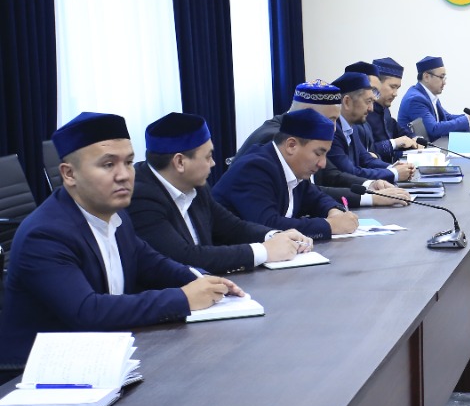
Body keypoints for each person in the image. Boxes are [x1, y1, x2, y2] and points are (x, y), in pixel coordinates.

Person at [0, 113, 240, 368]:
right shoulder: (45, 234)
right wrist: (183, 298)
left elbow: (152, 263)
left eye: (128, 162)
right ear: (69, 174)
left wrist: (203, 280)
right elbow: (88, 311)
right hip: (37, 372)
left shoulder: (117, 215)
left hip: (104, 355)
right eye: (108, 165)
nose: (124, 175)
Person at [130, 112, 312, 274]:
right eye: (208, 157)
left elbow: (233, 227)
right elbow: (183, 257)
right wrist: (264, 251)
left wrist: (274, 236)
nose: (213, 164)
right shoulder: (141, 197)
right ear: (180, 162)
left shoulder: (196, 186)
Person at [237, 82, 411, 208]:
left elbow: (331, 175)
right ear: (308, 113)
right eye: (330, 120)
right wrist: (371, 198)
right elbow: (307, 192)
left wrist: (370, 185)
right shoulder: (276, 140)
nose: (334, 129)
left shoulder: (304, 135)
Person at [213, 109, 360, 240]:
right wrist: (329, 226)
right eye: (318, 153)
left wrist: (333, 211)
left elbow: (317, 198)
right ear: (291, 145)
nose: (323, 164)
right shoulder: (254, 168)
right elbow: (268, 225)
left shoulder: (292, 168)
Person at [328, 72, 414, 183]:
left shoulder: (352, 126)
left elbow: (366, 159)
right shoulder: (333, 131)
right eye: (368, 102)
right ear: (347, 102)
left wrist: (393, 167)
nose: (371, 109)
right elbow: (351, 172)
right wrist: (394, 173)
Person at [397, 56, 470, 140]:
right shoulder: (415, 100)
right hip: (416, 147)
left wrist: (469, 117)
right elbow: (434, 129)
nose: (444, 82)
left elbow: (446, 117)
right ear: (426, 77)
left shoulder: (428, 95)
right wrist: (467, 120)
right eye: (441, 77)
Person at [368, 57, 418, 163]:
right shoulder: (364, 112)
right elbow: (366, 152)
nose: (395, 94)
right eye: (392, 87)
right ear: (376, 84)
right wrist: (394, 143)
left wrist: (415, 138)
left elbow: (397, 129)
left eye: (397, 88)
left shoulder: (384, 108)